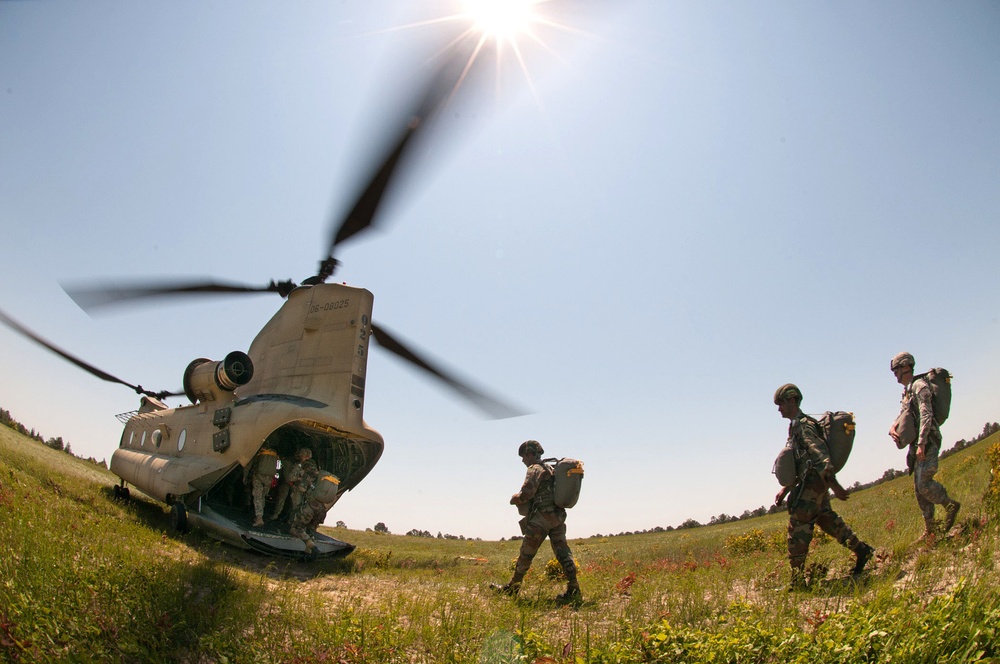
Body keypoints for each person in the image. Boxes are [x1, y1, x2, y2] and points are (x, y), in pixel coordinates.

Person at [773, 384, 873, 590]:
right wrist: (786, 489)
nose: (779, 408)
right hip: (813, 482)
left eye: (781, 403)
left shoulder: (803, 425)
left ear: (792, 400)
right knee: (827, 520)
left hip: (813, 484)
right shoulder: (795, 426)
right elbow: (800, 462)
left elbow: (820, 456)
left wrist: (834, 486)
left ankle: (798, 581)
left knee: (799, 526)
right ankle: (862, 550)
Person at [492, 440, 581, 602]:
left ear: (531, 454)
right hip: (558, 517)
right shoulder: (552, 468)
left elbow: (526, 494)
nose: (522, 460)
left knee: (526, 553)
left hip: (541, 519)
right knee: (563, 553)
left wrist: (514, 499)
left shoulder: (535, 469)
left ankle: (513, 587)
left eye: (524, 456)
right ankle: (574, 588)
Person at [888, 352, 961, 541]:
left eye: (896, 370)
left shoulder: (919, 386)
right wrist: (893, 426)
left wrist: (921, 443)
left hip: (928, 441)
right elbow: (904, 413)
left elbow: (926, 415)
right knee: (918, 490)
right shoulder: (907, 391)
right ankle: (931, 529)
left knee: (924, 484)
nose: (895, 374)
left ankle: (950, 505)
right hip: (917, 445)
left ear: (905, 367)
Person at [289, 471, 340, 556]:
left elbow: (302, 488)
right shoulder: (321, 479)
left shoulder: (308, 475)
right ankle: (308, 554)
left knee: (296, 528)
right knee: (310, 531)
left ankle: (313, 548)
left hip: (311, 507)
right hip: (321, 510)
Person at [268, 448, 318, 523]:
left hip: (298, 489)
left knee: (295, 507)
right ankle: (299, 524)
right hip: (309, 490)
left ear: (302, 456)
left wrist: (299, 478)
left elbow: (291, 477)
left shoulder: (299, 465)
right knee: (304, 507)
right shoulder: (314, 467)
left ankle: (291, 523)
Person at [245, 447, 279, 527]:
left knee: (258, 496)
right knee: (263, 497)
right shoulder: (274, 453)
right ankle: (260, 515)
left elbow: (250, 463)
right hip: (269, 478)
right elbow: (278, 468)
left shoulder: (260, 450)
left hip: (258, 475)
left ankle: (259, 518)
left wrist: (245, 475)